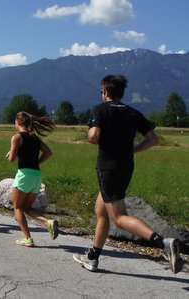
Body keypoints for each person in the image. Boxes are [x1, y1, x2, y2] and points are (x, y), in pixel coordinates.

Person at [73, 74, 182, 274]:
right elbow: (153, 139)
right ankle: (93, 257)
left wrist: (93, 135)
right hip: (126, 167)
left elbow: (94, 136)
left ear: (105, 92)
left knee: (119, 217)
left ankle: (163, 243)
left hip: (107, 168)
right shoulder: (133, 113)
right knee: (101, 210)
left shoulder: (100, 110)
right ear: (121, 93)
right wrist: (134, 149)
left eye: (101, 91)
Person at [6, 111, 59, 247]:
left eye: (15, 122)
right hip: (36, 175)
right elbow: (48, 152)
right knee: (26, 207)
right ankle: (47, 222)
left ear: (19, 123)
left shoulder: (17, 137)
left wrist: (12, 153)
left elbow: (11, 159)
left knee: (17, 207)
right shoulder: (35, 137)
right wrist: (37, 162)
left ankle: (27, 238)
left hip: (24, 175)